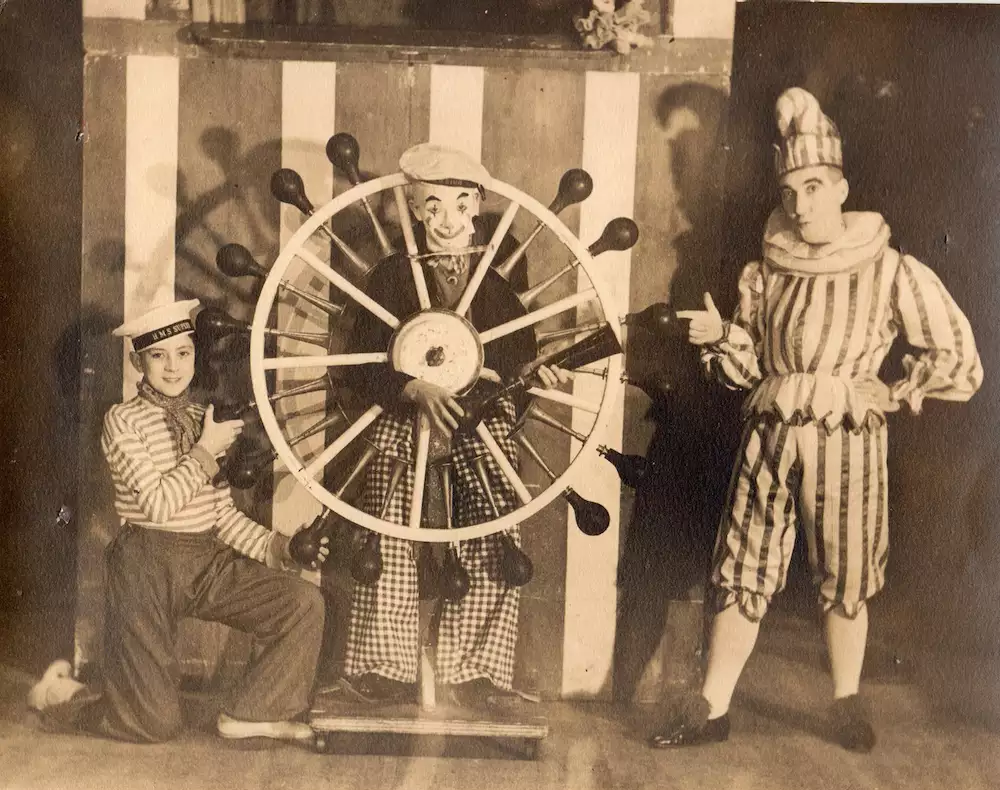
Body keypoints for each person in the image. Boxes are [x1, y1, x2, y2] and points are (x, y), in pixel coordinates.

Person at [649, 87, 983, 752]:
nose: (800, 203)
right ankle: (712, 706)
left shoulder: (890, 267)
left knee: (848, 569)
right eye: (792, 189)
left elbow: (957, 356)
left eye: (814, 187)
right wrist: (723, 338)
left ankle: (845, 700)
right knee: (743, 565)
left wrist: (892, 391)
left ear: (840, 187)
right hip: (769, 434)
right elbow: (745, 369)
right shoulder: (764, 272)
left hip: (847, 440)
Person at [28, 299, 329, 743]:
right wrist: (205, 451)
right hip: (144, 565)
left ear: (194, 355)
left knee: (302, 603)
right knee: (153, 725)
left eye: (183, 353)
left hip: (206, 559)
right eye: (158, 356)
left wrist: (277, 547)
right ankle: (60, 696)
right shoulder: (123, 421)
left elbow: (220, 514)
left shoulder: (200, 420)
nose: (173, 367)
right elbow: (157, 506)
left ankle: (247, 714)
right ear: (137, 362)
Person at [342, 143, 568, 707]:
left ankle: (475, 669)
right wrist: (409, 386)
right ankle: (383, 668)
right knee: (388, 537)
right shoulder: (392, 278)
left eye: (461, 206)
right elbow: (359, 360)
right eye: (434, 206)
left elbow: (520, 359)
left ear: (478, 209)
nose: (448, 220)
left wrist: (534, 380)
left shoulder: (495, 284)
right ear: (416, 210)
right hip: (402, 421)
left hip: (480, 425)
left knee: (495, 536)